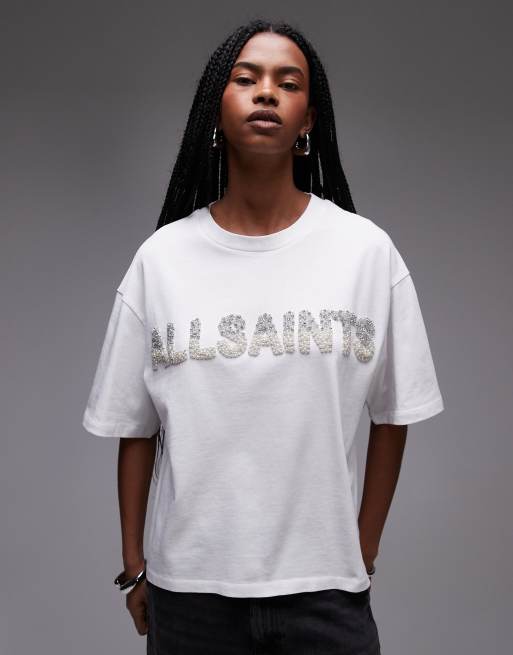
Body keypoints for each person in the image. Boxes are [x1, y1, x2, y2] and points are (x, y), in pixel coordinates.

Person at [82, 18, 444, 655]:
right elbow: (135, 427)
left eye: (289, 82)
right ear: (214, 110)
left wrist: (362, 549)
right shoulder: (161, 260)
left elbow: (395, 413)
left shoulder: (366, 253)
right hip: (189, 597)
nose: (267, 92)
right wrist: (135, 563)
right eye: (246, 79)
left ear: (309, 119)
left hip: (326, 594)